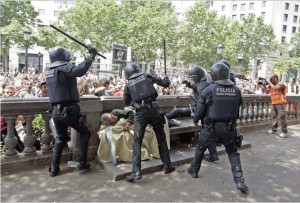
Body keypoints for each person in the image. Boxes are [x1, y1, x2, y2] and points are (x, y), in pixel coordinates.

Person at [187, 63, 249, 193]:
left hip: (210, 128)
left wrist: (195, 120)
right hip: (229, 128)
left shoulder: (209, 89)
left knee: (200, 148)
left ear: (214, 75)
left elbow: (199, 110)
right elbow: (238, 109)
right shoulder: (236, 90)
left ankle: (194, 170)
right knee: (233, 153)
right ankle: (239, 179)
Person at [45, 46, 97, 177]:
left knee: (60, 139)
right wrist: (90, 56)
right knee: (85, 132)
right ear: (61, 56)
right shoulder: (63, 68)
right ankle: (81, 163)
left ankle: (54, 168)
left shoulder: (50, 70)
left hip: (56, 111)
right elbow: (79, 70)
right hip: (68, 110)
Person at [123, 63, 175, 182]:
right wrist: (166, 78)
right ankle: (167, 165)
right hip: (154, 110)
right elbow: (166, 84)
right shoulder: (147, 75)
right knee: (161, 137)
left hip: (140, 114)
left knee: (137, 141)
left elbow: (126, 101)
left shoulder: (128, 84)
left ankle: (136, 172)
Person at [167, 66, 219, 162]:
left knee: (177, 111)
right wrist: (189, 85)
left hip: (202, 112)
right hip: (207, 112)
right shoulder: (204, 83)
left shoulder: (201, 86)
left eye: (193, 78)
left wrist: (195, 118)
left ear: (197, 76)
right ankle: (213, 154)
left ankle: (164, 119)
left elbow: (201, 103)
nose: (192, 80)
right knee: (208, 134)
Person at [97, 109, 167, 165]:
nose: (113, 117)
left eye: (111, 116)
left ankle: (166, 117)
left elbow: (131, 113)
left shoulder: (115, 112)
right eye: (111, 118)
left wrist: (128, 123)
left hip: (138, 119)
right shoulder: (111, 123)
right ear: (109, 122)